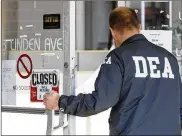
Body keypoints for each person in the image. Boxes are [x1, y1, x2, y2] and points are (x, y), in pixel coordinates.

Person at [43, 7, 182, 135]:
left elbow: (100, 101)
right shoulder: (169, 58)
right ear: (139, 27)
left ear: (112, 32)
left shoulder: (118, 57)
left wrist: (61, 102)